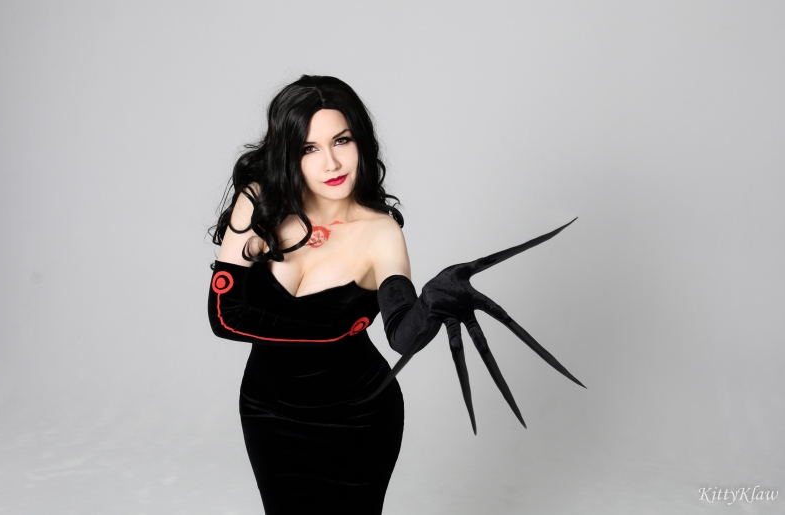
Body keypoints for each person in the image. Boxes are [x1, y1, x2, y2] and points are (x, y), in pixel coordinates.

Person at [207, 75, 583, 515]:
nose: (331, 163)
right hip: (267, 412)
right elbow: (224, 316)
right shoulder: (258, 202)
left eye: (342, 140)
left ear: (361, 141)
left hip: (356, 417)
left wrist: (431, 304)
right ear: (288, 154)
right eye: (309, 148)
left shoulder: (381, 233)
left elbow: (402, 335)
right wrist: (335, 331)